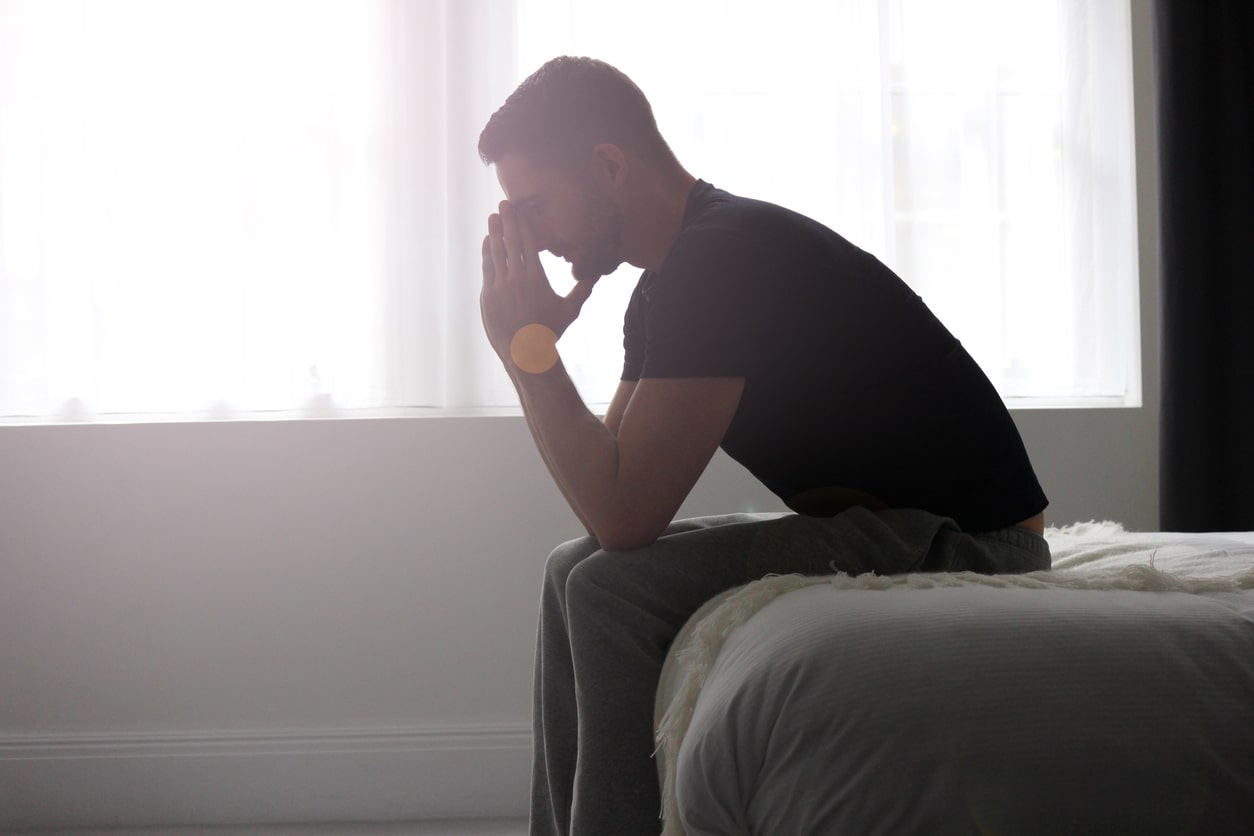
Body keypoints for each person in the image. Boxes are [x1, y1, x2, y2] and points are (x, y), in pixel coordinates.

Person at [477, 56, 1049, 836]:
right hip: (896, 521)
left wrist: (526, 352)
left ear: (608, 165)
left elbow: (623, 516)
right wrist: (531, 346)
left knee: (606, 589)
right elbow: (603, 486)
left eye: (536, 207)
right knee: (569, 569)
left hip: (975, 544)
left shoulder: (720, 260)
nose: (533, 241)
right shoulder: (667, 284)